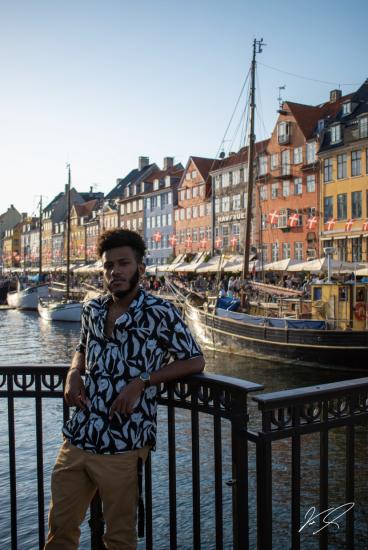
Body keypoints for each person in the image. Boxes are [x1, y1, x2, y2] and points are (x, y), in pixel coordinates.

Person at [45, 229, 204, 550]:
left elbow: (194, 360)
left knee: (118, 537)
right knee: (60, 529)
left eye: (123, 264)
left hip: (125, 440)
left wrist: (143, 380)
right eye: (107, 266)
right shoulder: (93, 310)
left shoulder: (161, 313)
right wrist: (75, 370)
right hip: (80, 435)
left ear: (140, 269)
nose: (114, 272)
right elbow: (83, 346)